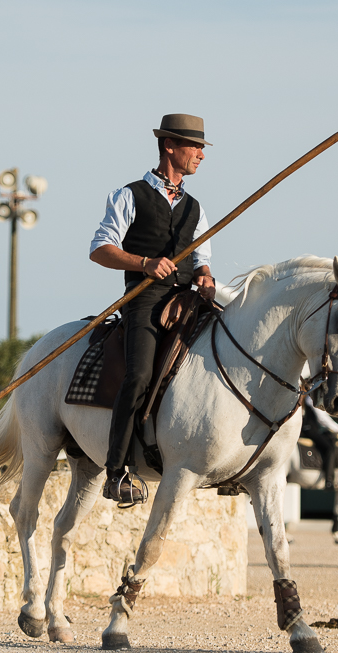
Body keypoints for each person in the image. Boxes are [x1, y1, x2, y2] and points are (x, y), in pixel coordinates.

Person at [89, 113, 217, 504]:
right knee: (140, 374)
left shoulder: (196, 207)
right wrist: (143, 263)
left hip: (187, 299)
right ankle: (116, 472)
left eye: (201, 148)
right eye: (195, 147)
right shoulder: (129, 195)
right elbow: (100, 250)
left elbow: (202, 260)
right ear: (169, 146)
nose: (201, 155)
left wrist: (206, 277)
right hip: (144, 297)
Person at [301, 394, 338, 489]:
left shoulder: (310, 398)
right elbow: (322, 418)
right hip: (310, 429)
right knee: (330, 447)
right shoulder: (312, 399)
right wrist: (337, 428)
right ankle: (329, 480)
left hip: (313, 429)